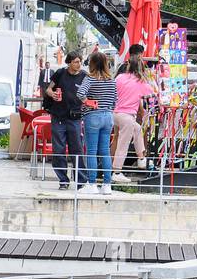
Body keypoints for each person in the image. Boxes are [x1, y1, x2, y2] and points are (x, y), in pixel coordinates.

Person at [44, 51, 88, 190]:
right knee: (59, 149)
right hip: (58, 116)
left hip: (75, 117)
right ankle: (63, 179)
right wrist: (53, 95)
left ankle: (81, 181)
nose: (78, 64)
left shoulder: (84, 76)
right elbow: (48, 89)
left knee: (77, 149)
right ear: (69, 62)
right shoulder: (60, 73)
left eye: (80, 61)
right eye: (75, 61)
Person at [111, 52, 158, 182]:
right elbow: (153, 93)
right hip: (127, 116)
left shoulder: (119, 77)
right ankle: (117, 171)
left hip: (115, 113)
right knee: (123, 144)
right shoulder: (141, 82)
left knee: (137, 129)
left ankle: (141, 159)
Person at [77, 50, 117, 195]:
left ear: (92, 63)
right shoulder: (111, 80)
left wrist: (88, 102)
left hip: (93, 116)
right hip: (108, 117)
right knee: (105, 152)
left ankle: (92, 184)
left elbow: (80, 93)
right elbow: (115, 100)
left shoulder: (90, 78)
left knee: (92, 152)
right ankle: (107, 185)